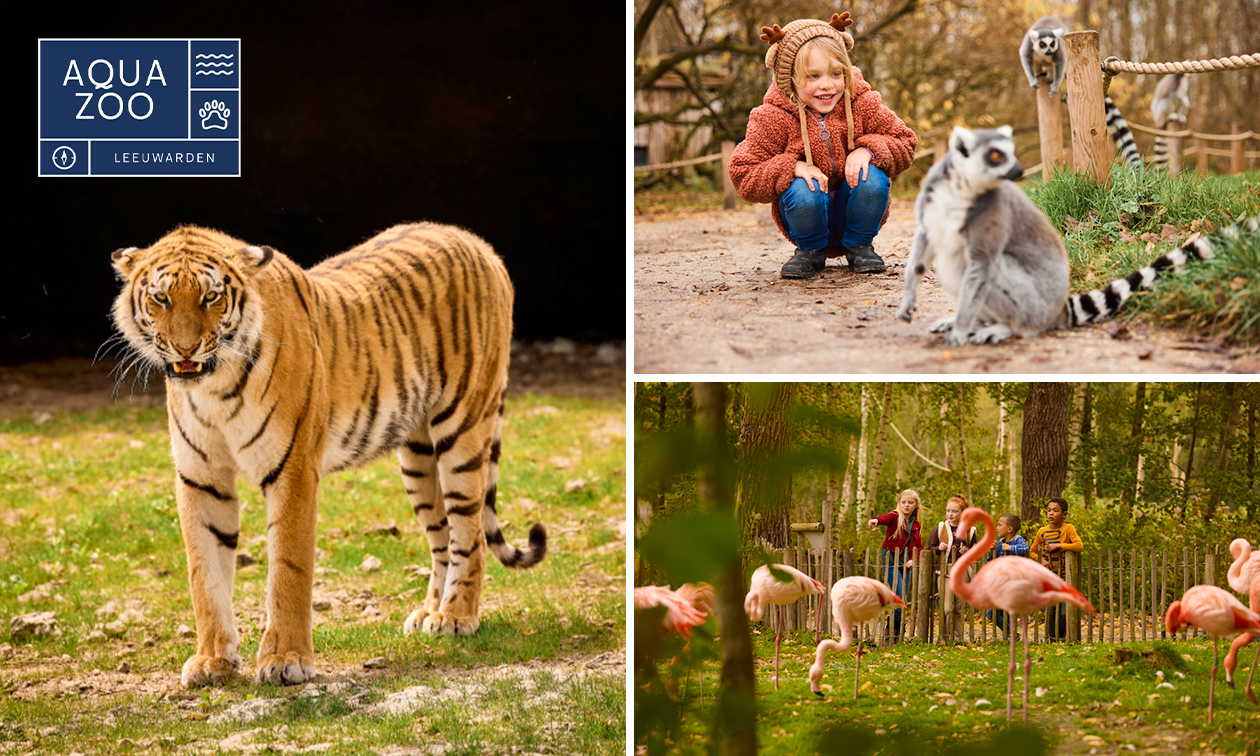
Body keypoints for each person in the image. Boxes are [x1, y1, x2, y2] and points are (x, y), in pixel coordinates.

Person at [728, 12, 918, 279]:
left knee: (872, 176)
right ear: (789, 78)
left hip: (853, 213)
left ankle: (860, 247)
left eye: (836, 73)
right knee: (804, 187)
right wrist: (792, 166)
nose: (826, 85)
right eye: (813, 76)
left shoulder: (863, 104)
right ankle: (810, 251)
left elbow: (906, 141)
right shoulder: (771, 117)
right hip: (805, 215)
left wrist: (869, 149)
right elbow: (743, 173)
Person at [867, 489, 922, 642]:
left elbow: (918, 545)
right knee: (899, 598)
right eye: (903, 502)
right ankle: (890, 632)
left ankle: (896, 633)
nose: (906, 505)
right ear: (899, 503)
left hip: (907, 564)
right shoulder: (895, 516)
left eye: (910, 503)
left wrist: (914, 559)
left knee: (902, 600)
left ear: (916, 505)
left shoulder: (916, 524)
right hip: (891, 561)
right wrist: (876, 520)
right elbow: (885, 518)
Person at [1028, 497, 1084, 640]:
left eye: (1055, 511)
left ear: (1064, 514)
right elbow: (1032, 551)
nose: (1051, 514)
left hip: (1066, 578)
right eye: (1049, 510)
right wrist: (1041, 560)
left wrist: (1060, 545)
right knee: (1052, 611)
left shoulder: (1068, 529)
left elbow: (1079, 545)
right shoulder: (1042, 531)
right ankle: (1052, 639)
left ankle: (1065, 637)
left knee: (1065, 611)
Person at [928, 495, 977, 642]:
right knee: (946, 607)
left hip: (962, 572)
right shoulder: (941, 527)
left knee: (958, 608)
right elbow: (930, 548)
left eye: (954, 511)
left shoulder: (970, 530)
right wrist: (938, 548)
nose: (950, 514)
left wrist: (968, 551)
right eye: (948, 511)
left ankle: (958, 637)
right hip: (944, 571)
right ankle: (944, 637)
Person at [985, 513, 1030, 634]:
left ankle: (1012, 635)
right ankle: (1012, 635)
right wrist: (991, 551)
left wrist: (1010, 549)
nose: (997, 527)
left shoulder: (1017, 540)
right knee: (994, 612)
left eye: (1000, 525)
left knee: (993, 611)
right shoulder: (1000, 543)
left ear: (1010, 529)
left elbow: (1025, 548)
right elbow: (991, 562)